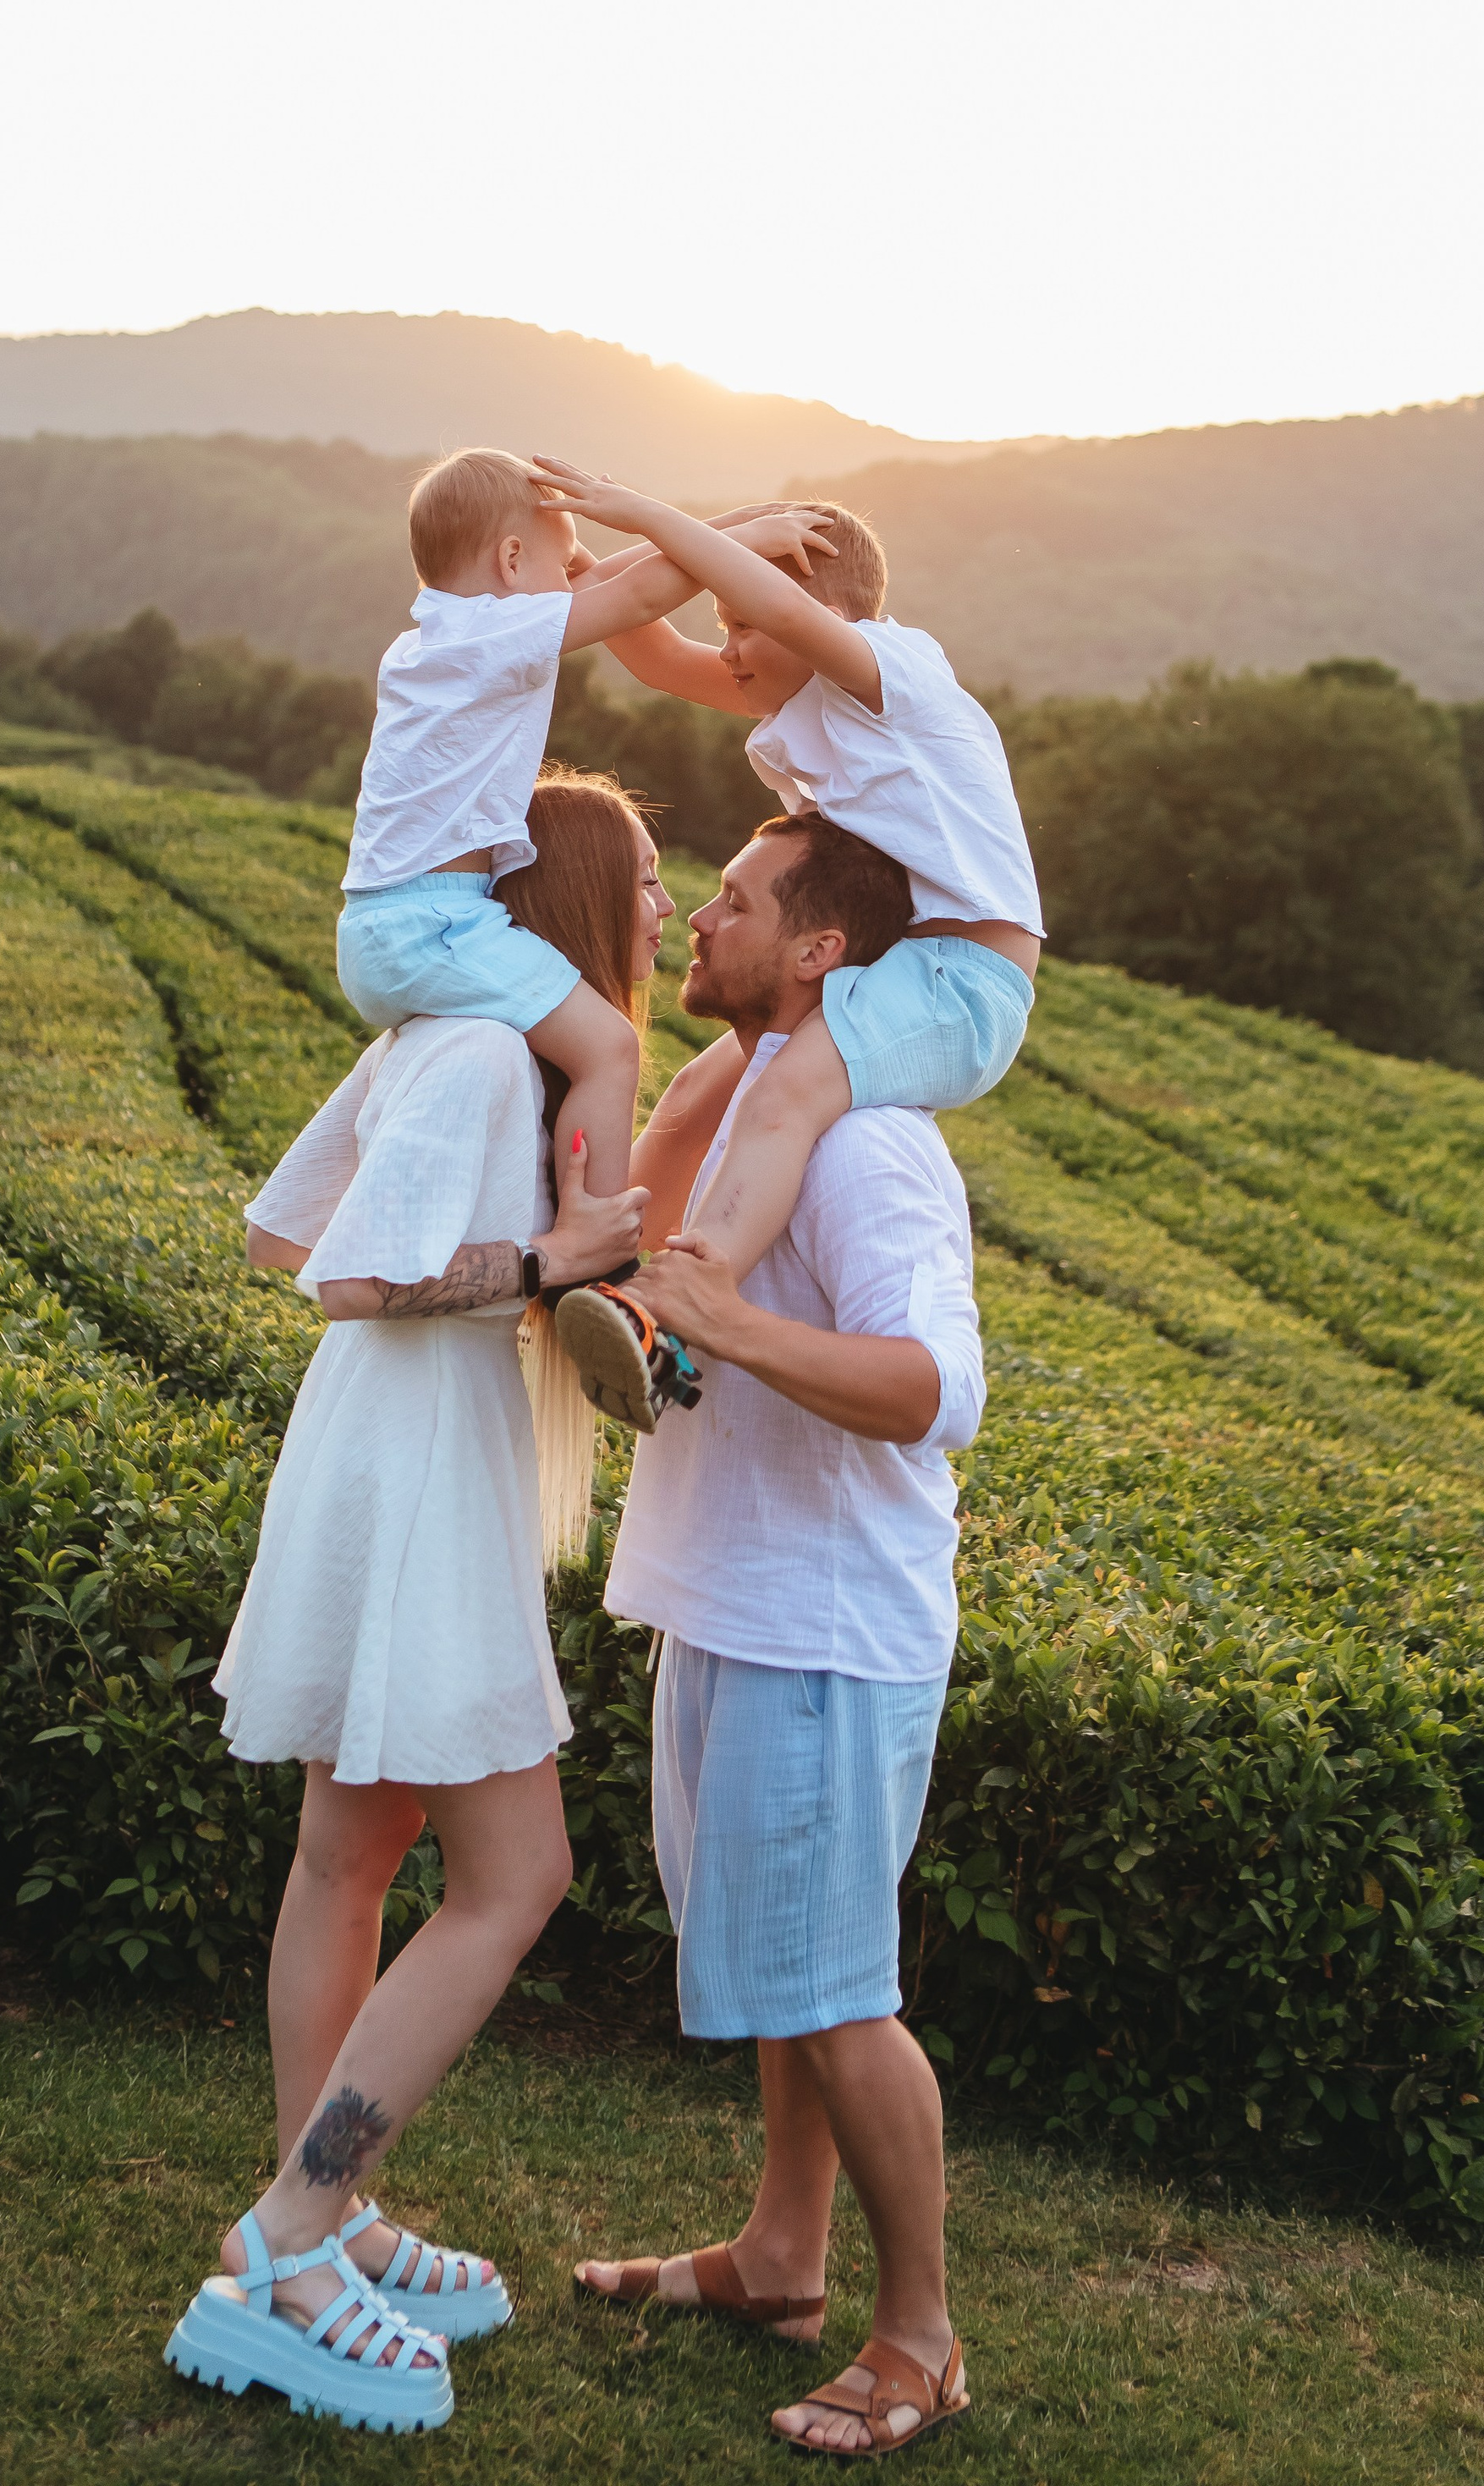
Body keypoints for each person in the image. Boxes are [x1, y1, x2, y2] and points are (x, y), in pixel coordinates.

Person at [165, 770, 667, 2438]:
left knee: (350, 1852)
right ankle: (297, 2234)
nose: (662, 914)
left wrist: (548, 1272)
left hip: (384, 1456)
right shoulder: (468, 1056)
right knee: (516, 1874)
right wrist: (539, 1270)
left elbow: (269, 1228)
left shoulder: (442, 1042)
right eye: (650, 883)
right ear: (584, 906)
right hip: (417, 1478)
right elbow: (340, 1278)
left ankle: (326, 2216)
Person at [574, 809, 985, 2458]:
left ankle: (921, 2339)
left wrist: (725, 1320)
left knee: (836, 1991)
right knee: (786, 1978)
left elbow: (932, 1390)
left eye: (731, 903)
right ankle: (779, 2259)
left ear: (818, 949)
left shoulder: (866, 1139)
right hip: (732, 1596)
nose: (700, 921)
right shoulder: (747, 1103)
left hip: (824, 1624)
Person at [526, 458, 1040, 1435]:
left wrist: (652, 505)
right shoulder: (795, 702)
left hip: (957, 979)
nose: (728, 647)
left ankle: (676, 1309)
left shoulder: (896, 675)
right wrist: (591, 561)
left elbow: (787, 610)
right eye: (724, 624)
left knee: (784, 1094)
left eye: (744, 624)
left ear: (822, 614)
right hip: (885, 972)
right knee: (692, 1101)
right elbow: (651, 650)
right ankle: (595, 1267)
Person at [336, 443, 827, 1206]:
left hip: (396, 923)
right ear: (509, 561)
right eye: (563, 568)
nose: (578, 583)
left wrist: (743, 525)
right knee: (608, 1046)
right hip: (432, 925)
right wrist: (747, 545)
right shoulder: (488, 636)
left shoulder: (440, 640)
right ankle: (594, 1246)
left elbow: (627, 577)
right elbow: (633, 599)